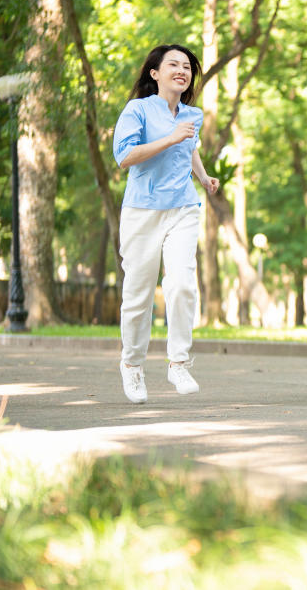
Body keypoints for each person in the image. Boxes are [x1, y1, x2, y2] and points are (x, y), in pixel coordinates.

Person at [112, 44, 220, 404]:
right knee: (138, 295)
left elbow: (190, 149)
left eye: (187, 66)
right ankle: (132, 366)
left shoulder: (193, 114)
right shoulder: (138, 110)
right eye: (172, 64)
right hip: (142, 211)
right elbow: (125, 157)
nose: (182, 70)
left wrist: (203, 178)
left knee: (181, 284)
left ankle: (178, 362)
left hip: (183, 208)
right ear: (154, 73)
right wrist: (169, 137)